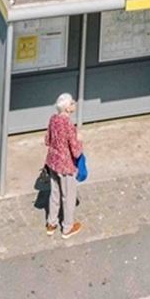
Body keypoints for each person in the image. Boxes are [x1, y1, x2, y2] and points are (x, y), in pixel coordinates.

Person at [41, 93, 83, 237]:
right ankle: (67, 228)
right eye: (72, 103)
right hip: (66, 165)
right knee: (68, 197)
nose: (74, 104)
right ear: (67, 108)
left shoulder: (53, 119)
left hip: (52, 162)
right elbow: (76, 152)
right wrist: (80, 139)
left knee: (54, 193)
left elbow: (47, 140)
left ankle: (51, 223)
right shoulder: (69, 125)